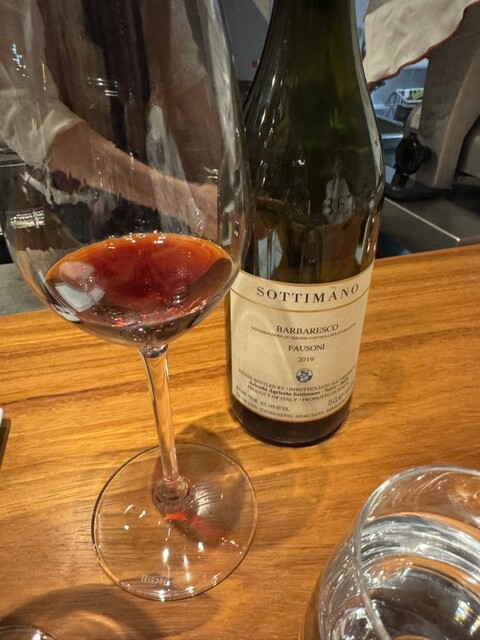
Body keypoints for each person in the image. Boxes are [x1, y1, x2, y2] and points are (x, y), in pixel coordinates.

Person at [0, 0, 224, 236]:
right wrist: (186, 201)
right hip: (55, 220)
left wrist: (228, 181)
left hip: (159, 201)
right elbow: (34, 118)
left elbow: (185, 74)